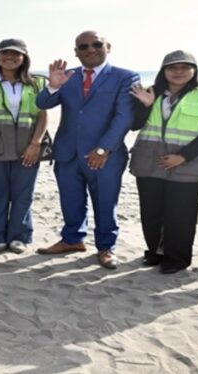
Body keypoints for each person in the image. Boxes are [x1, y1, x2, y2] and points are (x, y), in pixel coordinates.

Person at [35, 30, 140, 269]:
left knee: (105, 203)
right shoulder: (68, 76)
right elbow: (43, 103)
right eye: (83, 46)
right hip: (67, 153)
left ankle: (106, 247)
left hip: (105, 155)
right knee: (70, 200)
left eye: (97, 44)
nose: (90, 49)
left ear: (108, 47)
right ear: (76, 52)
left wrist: (104, 149)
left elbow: (124, 117)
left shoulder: (125, 77)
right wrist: (53, 86)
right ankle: (72, 240)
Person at [128, 50, 198, 274]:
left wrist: (183, 156)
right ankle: (155, 251)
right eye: (172, 68)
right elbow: (134, 125)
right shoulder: (149, 92)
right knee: (151, 212)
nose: (178, 72)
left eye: (184, 67)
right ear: (164, 71)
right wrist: (145, 105)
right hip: (150, 161)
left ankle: (177, 258)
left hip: (187, 163)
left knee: (181, 214)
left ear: (194, 71)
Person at [0, 39, 48, 253]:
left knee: (23, 194)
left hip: (27, 145)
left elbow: (42, 116)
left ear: (24, 58)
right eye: (5, 53)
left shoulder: (37, 83)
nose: (10, 57)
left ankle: (19, 236)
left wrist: (35, 144)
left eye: (16, 54)